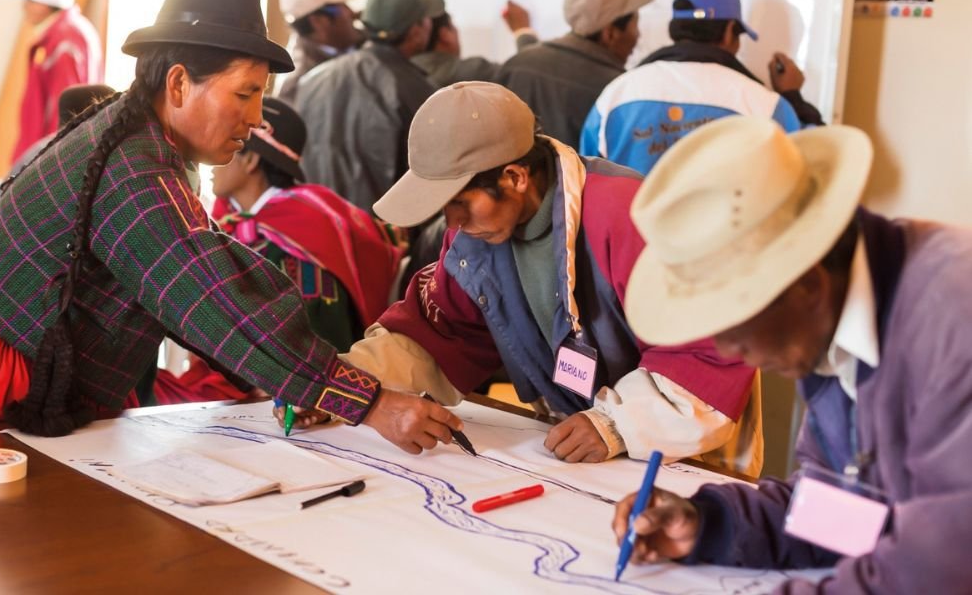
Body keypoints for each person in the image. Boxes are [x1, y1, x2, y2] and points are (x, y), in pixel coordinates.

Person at [0, 0, 462, 457]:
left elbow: (202, 278)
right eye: (244, 93)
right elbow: (210, 293)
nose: (253, 117)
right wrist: (368, 402)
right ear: (177, 85)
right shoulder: (136, 172)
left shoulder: (136, 142)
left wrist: (301, 381)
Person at [283, 82, 763, 474]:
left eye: (460, 203)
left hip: (675, 447)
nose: (450, 224)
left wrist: (619, 424)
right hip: (572, 448)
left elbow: (708, 347)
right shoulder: (474, 235)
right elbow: (436, 336)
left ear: (514, 177)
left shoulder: (633, 215)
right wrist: (343, 388)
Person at [613, 115, 972, 592]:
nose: (725, 349)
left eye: (732, 320)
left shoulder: (953, 316)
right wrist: (707, 525)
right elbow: (846, 511)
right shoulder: (829, 322)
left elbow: (940, 568)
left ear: (806, 283)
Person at [153, 97, 406, 403]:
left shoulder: (307, 233)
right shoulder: (227, 218)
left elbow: (322, 339)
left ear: (250, 160)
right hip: (230, 375)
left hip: (280, 390)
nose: (208, 164)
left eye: (227, 142)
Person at [581, 0, 823, 175]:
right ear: (730, 32)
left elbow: (586, 178)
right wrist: (793, 96)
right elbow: (818, 163)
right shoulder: (763, 105)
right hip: (725, 243)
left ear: (675, 30)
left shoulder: (616, 95)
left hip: (631, 242)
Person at [295, 0, 438, 213]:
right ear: (415, 29)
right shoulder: (418, 89)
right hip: (388, 235)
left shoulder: (311, 80)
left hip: (321, 225)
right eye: (427, 19)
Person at [495, 0, 654, 147]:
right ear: (610, 34)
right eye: (635, 25)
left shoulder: (519, 65)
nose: (638, 35)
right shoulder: (619, 92)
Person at [12, 0, 103, 164]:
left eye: (29, 1)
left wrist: (41, 163)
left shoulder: (64, 41)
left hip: (44, 159)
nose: (24, 7)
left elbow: (64, 114)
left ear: (44, 3)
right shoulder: (70, 31)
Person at [411, 0, 537, 89]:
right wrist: (523, 31)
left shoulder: (401, 73)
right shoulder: (472, 74)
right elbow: (531, 76)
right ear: (445, 35)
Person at [275, 0, 364, 104]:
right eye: (342, 6)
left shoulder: (374, 41)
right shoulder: (297, 89)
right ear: (318, 21)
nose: (352, 12)